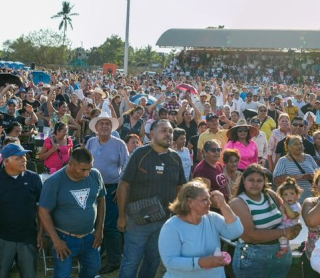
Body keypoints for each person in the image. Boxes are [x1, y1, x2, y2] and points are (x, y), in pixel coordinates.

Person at [117, 119, 186, 278]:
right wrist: (122, 217)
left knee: (153, 260)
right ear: (152, 134)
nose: (168, 134)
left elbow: (180, 188)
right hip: (137, 220)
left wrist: (178, 215)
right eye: (163, 130)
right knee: (131, 262)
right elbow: (123, 186)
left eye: (170, 131)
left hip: (164, 221)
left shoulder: (176, 158)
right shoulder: (140, 153)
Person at [38, 147, 106, 278]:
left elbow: (101, 200)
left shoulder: (95, 175)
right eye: (83, 169)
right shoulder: (54, 181)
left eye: (90, 168)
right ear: (71, 164)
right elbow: (43, 212)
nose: (87, 173)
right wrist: (56, 240)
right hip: (64, 238)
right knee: (63, 274)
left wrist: (100, 229)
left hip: (89, 236)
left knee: (93, 268)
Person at [159, 179, 244, 278]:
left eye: (209, 198)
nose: (209, 203)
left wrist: (223, 206)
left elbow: (236, 232)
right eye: (204, 199)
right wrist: (201, 262)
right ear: (190, 202)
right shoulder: (171, 227)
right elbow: (170, 262)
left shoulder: (212, 218)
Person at [0, 143, 43, 278]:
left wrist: (40, 232)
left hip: (28, 238)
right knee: (0, 274)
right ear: (6, 161)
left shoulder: (34, 178)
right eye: (19, 158)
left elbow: (41, 209)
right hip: (2, 239)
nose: (24, 160)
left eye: (24, 156)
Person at [229, 164, 301, 278]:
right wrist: (284, 232)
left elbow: (288, 213)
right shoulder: (238, 203)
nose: (255, 184)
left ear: (264, 182)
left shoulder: (270, 195)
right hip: (253, 257)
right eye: (251, 180)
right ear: (243, 180)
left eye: (259, 180)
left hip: (280, 253)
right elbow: (250, 235)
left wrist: (295, 224)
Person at [85, 112, 129, 274]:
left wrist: (121, 187)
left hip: (112, 190)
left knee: (110, 227)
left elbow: (127, 167)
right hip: (92, 189)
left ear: (112, 127)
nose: (104, 126)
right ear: (96, 127)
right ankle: (96, 255)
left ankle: (114, 260)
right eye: (101, 123)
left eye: (107, 124)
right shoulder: (90, 142)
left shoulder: (119, 144)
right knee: (94, 223)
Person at [273, 135, 318, 201]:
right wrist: (300, 177)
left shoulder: (309, 157)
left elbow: (318, 173)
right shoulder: (283, 160)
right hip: (291, 201)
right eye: (296, 144)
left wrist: (313, 176)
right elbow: (277, 179)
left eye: (300, 143)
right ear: (288, 147)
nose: (299, 146)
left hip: (310, 199)